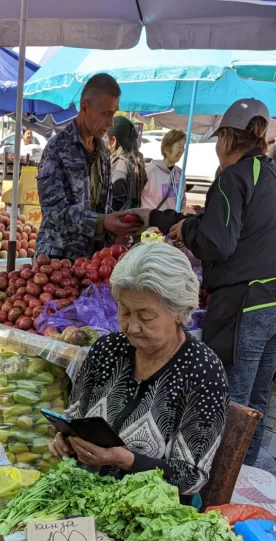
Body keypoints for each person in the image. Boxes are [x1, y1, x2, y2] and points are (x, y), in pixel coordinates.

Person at [148, 99, 276, 466]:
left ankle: (217, 481)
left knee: (232, 399)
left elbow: (219, 243)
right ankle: (244, 477)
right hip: (271, 302)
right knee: (256, 400)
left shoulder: (232, 177)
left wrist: (188, 228)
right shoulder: (268, 173)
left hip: (243, 304)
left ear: (226, 138)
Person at [50, 244, 228, 497]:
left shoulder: (202, 371)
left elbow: (191, 477)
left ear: (179, 312)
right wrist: (66, 439)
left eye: (146, 317)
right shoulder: (107, 349)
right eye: (125, 312)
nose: (132, 327)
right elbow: (76, 415)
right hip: (83, 491)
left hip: (150, 510)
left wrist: (123, 459)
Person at [36, 74, 134, 261]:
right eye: (106, 113)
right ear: (85, 107)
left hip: (93, 259)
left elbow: (103, 205)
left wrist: (116, 230)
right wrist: (103, 222)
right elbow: (54, 210)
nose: (111, 122)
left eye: (114, 113)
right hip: (58, 260)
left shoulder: (103, 150)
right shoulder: (57, 148)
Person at [106, 116, 147, 211]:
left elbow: (116, 204)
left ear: (113, 141)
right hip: (131, 220)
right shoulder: (134, 162)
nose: (104, 140)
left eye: (106, 137)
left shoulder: (120, 166)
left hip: (118, 222)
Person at [141, 128, 186, 211]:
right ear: (166, 149)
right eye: (179, 146)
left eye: (183, 146)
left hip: (173, 222)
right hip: (153, 222)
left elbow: (182, 199)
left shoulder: (180, 173)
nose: (181, 150)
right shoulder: (150, 171)